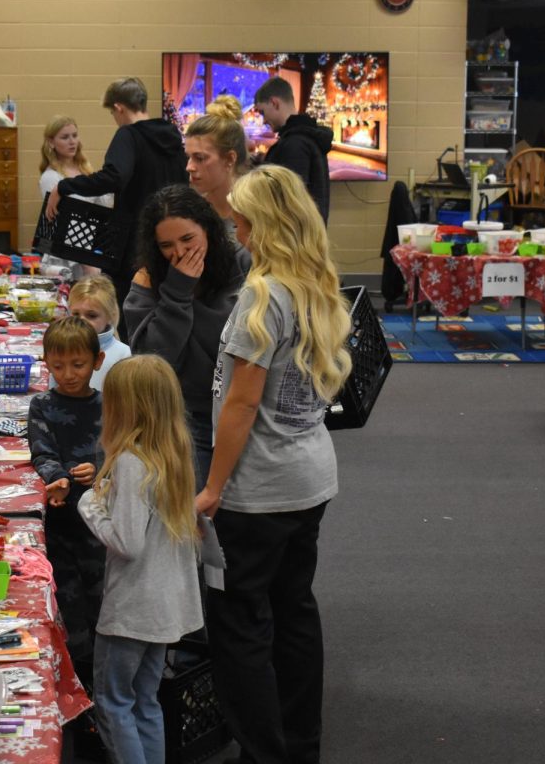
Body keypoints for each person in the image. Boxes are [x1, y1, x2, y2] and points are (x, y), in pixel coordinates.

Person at [196, 165, 352, 764]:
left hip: (258, 491)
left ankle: (262, 751)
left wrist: (212, 488)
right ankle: (299, 746)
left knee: (240, 629)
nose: (236, 230)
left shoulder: (263, 296)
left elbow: (241, 401)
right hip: (310, 478)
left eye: (242, 221)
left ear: (265, 225)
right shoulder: (317, 284)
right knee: (295, 615)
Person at [77, 355, 202, 764]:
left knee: (113, 702)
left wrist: (91, 504)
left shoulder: (131, 462)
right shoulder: (175, 453)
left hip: (134, 606)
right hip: (166, 604)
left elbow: (127, 542)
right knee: (146, 700)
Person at [125, 185, 251, 490]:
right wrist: (177, 292)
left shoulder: (242, 264)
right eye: (167, 245)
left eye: (187, 239)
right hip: (185, 417)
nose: (179, 253)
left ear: (208, 230)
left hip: (241, 410)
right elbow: (151, 360)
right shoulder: (148, 279)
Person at [44, 77, 188, 307]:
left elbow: (114, 177)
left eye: (113, 113)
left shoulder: (128, 135)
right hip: (171, 239)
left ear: (119, 107)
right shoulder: (172, 135)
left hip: (135, 244)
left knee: (129, 310)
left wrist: (64, 186)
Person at [28, 316, 106, 686]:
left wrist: (102, 470)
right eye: (58, 366)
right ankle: (79, 681)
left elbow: (121, 452)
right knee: (68, 602)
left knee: (103, 602)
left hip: (100, 528)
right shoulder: (42, 404)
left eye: (78, 364)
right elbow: (41, 450)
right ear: (45, 362)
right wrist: (55, 476)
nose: (69, 374)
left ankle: (105, 683)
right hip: (59, 524)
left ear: (98, 361)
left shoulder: (109, 406)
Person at [38, 116, 111, 279]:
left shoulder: (86, 170)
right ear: (51, 142)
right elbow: (63, 222)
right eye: (65, 137)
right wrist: (87, 263)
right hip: (65, 258)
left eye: (74, 135)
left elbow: (103, 208)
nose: (72, 141)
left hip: (90, 250)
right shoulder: (51, 177)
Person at [253, 77, 332, 221]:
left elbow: (289, 205)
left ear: (274, 103)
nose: (263, 120)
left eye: (263, 112)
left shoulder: (295, 144)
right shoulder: (304, 137)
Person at [185, 95, 250, 232]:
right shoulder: (191, 212)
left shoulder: (256, 214)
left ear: (230, 159)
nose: (189, 167)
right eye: (189, 157)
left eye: (200, 158)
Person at [67, 274, 131, 391]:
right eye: (75, 314)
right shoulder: (62, 347)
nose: (81, 321)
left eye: (91, 315)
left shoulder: (125, 357)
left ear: (110, 316)